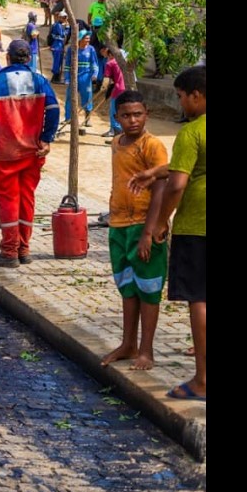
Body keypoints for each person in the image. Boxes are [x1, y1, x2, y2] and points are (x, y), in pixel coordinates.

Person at [134, 66, 205, 401]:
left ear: (196, 95)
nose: (181, 103)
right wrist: (153, 171)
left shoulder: (193, 132)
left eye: (181, 96)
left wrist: (162, 221)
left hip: (197, 227)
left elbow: (178, 182)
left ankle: (202, 380)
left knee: (199, 299)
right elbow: (184, 166)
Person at [99, 90, 169, 372]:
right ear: (116, 118)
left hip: (143, 225)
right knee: (127, 287)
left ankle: (146, 350)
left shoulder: (153, 146)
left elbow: (162, 187)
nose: (133, 120)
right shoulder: (117, 143)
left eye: (138, 114)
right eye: (126, 115)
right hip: (118, 225)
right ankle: (128, 343)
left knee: (149, 289)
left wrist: (149, 232)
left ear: (146, 115)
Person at [0, 40, 60, 268]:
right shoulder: (40, 81)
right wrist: (46, 137)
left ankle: (9, 251)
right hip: (33, 152)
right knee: (26, 198)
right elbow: (53, 110)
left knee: (8, 200)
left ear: (8, 58)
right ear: (29, 59)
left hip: (5, 152)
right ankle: (24, 248)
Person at [64, 28, 100, 133]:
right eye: (86, 38)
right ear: (80, 39)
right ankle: (68, 118)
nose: (88, 41)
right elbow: (67, 65)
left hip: (86, 77)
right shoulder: (72, 49)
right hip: (73, 77)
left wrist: (95, 74)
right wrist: (67, 77)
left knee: (87, 97)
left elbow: (94, 63)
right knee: (70, 97)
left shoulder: (91, 49)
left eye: (89, 39)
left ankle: (87, 119)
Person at [99, 45, 126, 138]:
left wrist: (103, 88)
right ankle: (116, 130)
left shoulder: (110, 63)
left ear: (110, 54)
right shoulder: (122, 62)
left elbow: (107, 79)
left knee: (113, 111)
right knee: (120, 110)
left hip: (117, 89)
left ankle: (116, 132)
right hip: (125, 89)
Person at [48, 10, 70, 82]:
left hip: (59, 46)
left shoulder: (59, 25)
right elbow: (62, 34)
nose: (64, 19)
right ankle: (55, 77)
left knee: (59, 61)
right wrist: (67, 28)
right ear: (59, 17)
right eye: (63, 18)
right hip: (57, 46)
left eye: (65, 18)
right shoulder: (57, 25)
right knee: (57, 62)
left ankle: (57, 77)